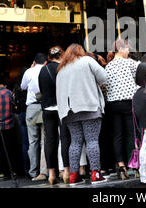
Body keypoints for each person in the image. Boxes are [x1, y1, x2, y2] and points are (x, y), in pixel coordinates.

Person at [56, 44, 108, 186]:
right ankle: (95, 174)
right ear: (81, 51)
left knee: (75, 141)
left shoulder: (61, 68)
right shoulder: (87, 61)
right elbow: (104, 78)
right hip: (89, 106)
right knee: (92, 140)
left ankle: (73, 175)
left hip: (69, 110)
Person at [104, 39, 139, 180]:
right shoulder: (130, 63)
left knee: (117, 135)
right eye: (127, 49)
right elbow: (141, 77)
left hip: (113, 104)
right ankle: (132, 166)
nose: (128, 52)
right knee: (131, 133)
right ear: (121, 49)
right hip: (128, 102)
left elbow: (105, 87)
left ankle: (120, 166)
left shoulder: (108, 66)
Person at [38, 46, 64, 185]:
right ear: (61, 55)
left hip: (47, 108)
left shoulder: (43, 69)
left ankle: (52, 174)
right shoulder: (64, 68)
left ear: (49, 57)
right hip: (61, 108)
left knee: (50, 141)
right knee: (64, 139)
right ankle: (65, 171)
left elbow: (41, 89)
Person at [21, 53, 48, 181]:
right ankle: (45, 170)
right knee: (45, 139)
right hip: (44, 106)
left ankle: (33, 171)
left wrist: (31, 69)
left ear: (34, 61)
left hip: (32, 108)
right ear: (45, 62)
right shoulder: (46, 70)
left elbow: (22, 87)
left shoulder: (28, 72)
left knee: (33, 141)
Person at [0, 77, 20, 178]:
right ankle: (12, 170)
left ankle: (3, 171)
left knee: (0, 149)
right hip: (10, 125)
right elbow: (15, 107)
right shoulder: (10, 93)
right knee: (11, 148)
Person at [13, 67, 30, 177]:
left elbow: (14, 102)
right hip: (30, 112)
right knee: (35, 141)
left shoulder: (17, 87)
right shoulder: (29, 84)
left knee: (24, 143)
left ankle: (26, 169)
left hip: (21, 114)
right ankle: (35, 168)